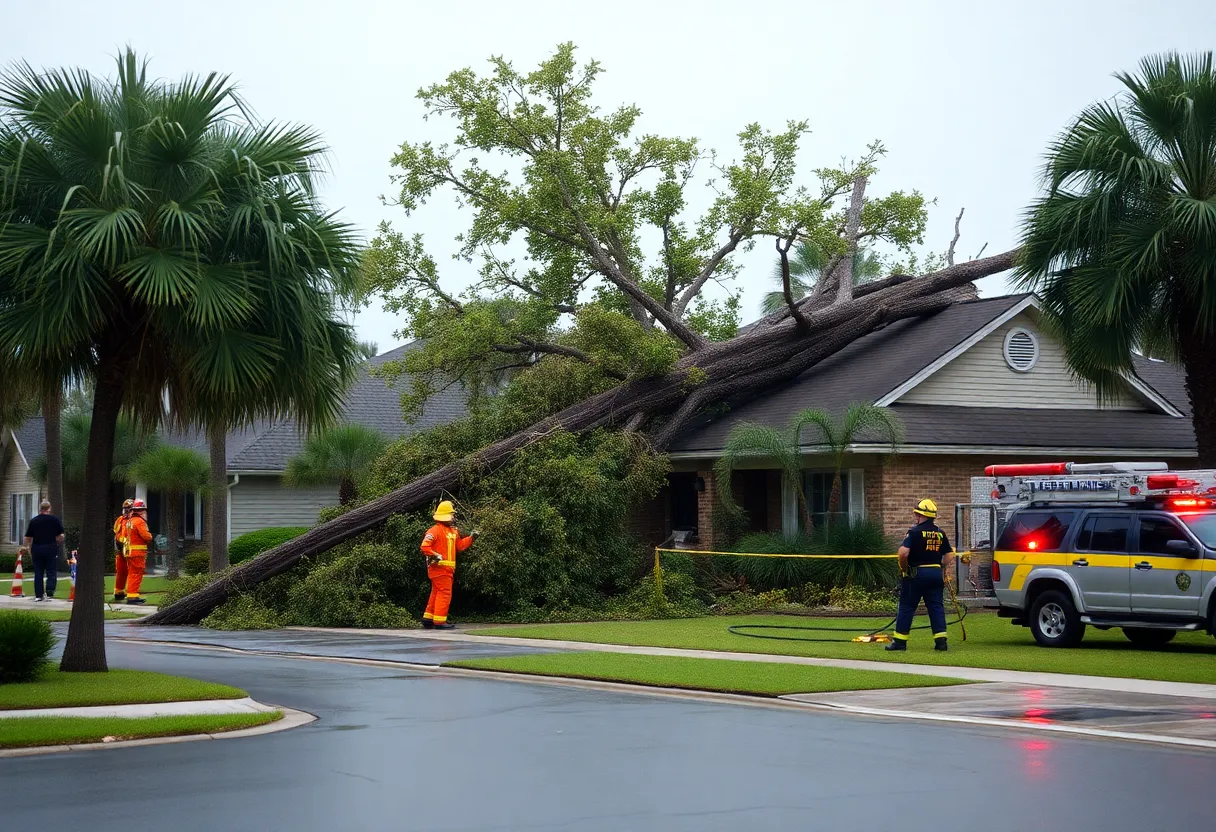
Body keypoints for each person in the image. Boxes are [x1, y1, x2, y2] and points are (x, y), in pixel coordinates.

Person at [887, 498, 954, 652]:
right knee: (936, 607)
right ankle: (941, 642)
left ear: (920, 515)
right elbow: (950, 554)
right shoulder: (939, 533)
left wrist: (904, 569)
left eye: (916, 514)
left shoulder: (914, 532)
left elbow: (903, 553)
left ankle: (900, 642)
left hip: (916, 574)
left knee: (907, 606)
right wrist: (942, 567)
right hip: (935, 574)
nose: (915, 517)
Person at [419, 500, 477, 629]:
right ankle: (440, 621)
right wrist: (435, 555)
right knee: (444, 593)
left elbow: (460, 546)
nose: (453, 517)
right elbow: (424, 546)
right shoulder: (434, 531)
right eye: (452, 514)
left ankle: (428, 619)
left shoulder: (452, 531)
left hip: (447, 569)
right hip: (439, 568)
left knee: (436, 592)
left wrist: (471, 538)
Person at [23, 500, 65, 601]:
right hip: (50, 548)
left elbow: (28, 537)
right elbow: (61, 536)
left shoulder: (34, 521)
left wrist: (28, 547)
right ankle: (49, 592)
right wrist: (57, 541)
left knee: (38, 572)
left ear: (40, 508)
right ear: (49, 508)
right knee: (51, 570)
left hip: (37, 548)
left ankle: (38, 595)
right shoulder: (54, 520)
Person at [121, 499, 154, 605]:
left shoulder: (129, 521)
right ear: (139, 510)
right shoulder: (139, 522)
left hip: (129, 552)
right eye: (143, 510)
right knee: (137, 573)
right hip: (137, 553)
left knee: (131, 573)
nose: (144, 512)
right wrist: (150, 537)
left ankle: (131, 594)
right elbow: (146, 536)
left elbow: (124, 536)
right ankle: (132, 595)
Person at [113, 499, 133, 602]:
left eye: (128, 509)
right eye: (124, 509)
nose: (126, 511)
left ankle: (131, 593)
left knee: (132, 572)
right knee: (121, 571)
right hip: (120, 549)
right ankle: (118, 592)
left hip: (130, 550)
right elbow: (116, 532)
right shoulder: (120, 520)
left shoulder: (134, 521)